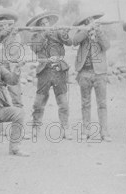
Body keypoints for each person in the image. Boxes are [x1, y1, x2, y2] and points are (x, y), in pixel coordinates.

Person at [26, 12, 73, 140]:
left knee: (63, 103)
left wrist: (64, 33)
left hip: (59, 71)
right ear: (39, 26)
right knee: (38, 103)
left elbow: (69, 42)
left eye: (46, 23)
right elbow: (35, 49)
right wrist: (44, 34)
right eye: (42, 24)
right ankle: (35, 129)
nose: (45, 25)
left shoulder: (57, 32)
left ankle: (65, 129)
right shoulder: (35, 37)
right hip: (44, 72)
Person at [72, 12, 111, 141]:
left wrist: (98, 31)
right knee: (85, 103)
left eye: (92, 20)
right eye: (87, 21)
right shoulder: (81, 32)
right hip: (84, 72)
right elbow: (74, 41)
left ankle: (104, 133)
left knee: (102, 104)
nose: (90, 22)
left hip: (100, 73)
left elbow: (106, 46)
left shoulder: (101, 31)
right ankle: (86, 131)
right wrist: (86, 29)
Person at [0, 8, 24, 109]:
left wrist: (9, 36)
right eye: (0, 25)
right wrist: (0, 36)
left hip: (11, 66)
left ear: (8, 25)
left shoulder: (16, 35)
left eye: (5, 25)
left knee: (16, 96)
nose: (3, 27)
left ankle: (18, 120)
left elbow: (12, 51)